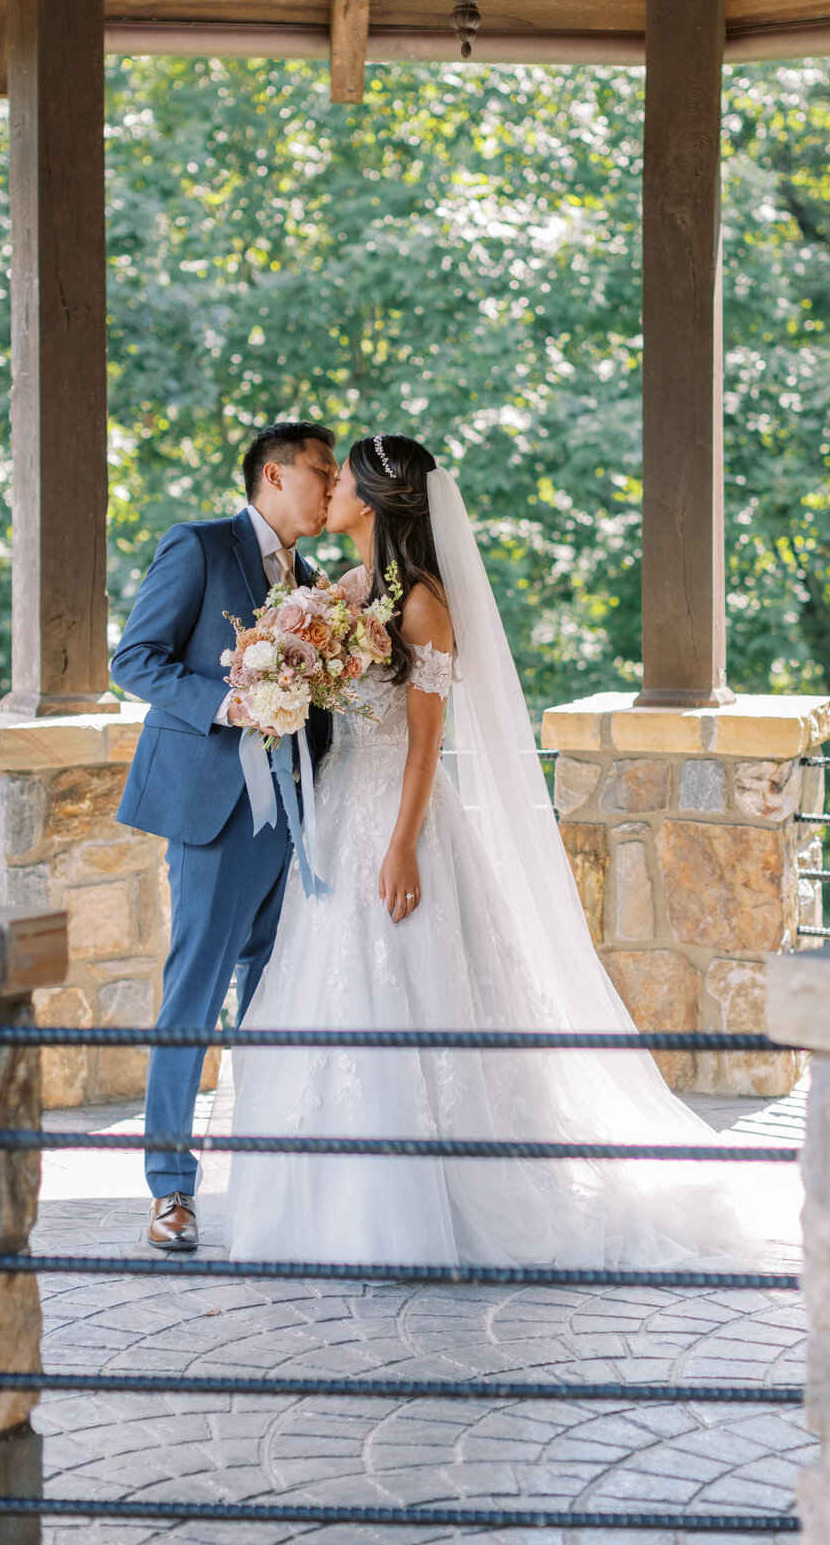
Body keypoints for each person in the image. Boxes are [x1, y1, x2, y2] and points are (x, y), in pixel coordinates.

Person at [225, 435, 798, 1270]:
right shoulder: (339, 592)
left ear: (377, 499)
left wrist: (403, 847)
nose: (330, 491)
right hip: (336, 815)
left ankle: (436, 1202)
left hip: (396, 816)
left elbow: (425, 744)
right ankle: (325, 1201)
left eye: (342, 478)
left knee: (411, 985)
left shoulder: (422, 602)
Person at [111, 420, 338, 1251]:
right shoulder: (199, 547)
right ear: (274, 475)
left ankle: (273, 1182)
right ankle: (170, 1190)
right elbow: (134, 659)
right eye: (321, 471)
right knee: (193, 1001)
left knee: (275, 1004)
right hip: (213, 814)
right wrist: (228, 701)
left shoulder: (315, 581)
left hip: (298, 826)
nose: (331, 486)